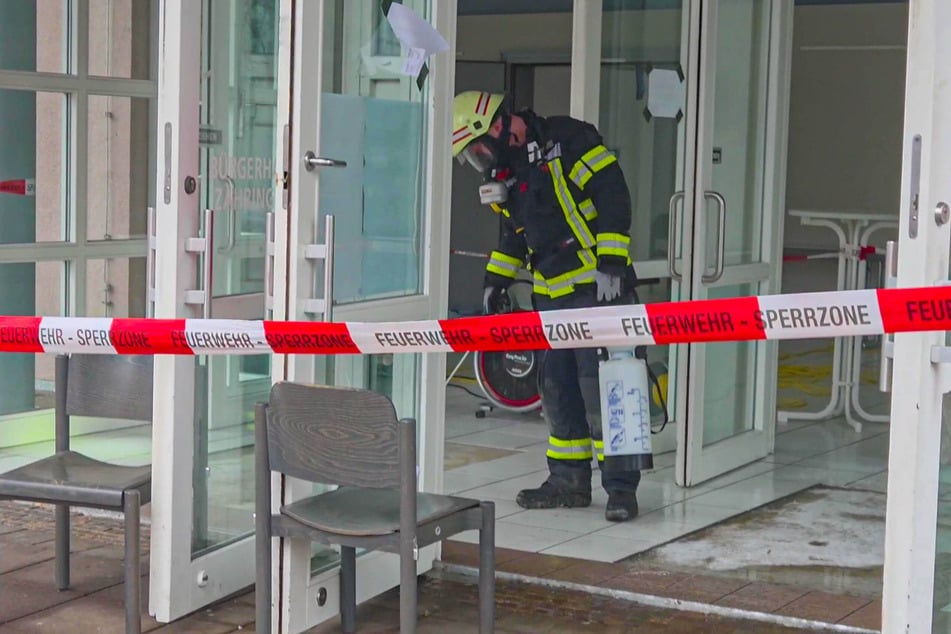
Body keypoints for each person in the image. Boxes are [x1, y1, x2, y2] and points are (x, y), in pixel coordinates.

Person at [452, 90, 641, 522]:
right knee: (557, 392)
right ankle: (568, 481)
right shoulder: (510, 173)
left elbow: (613, 195)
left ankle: (621, 490)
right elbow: (514, 236)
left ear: (497, 127)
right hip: (552, 300)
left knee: (607, 390)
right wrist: (495, 281)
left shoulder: (569, 140)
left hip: (598, 292)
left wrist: (612, 262)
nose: (479, 162)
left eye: (476, 150)